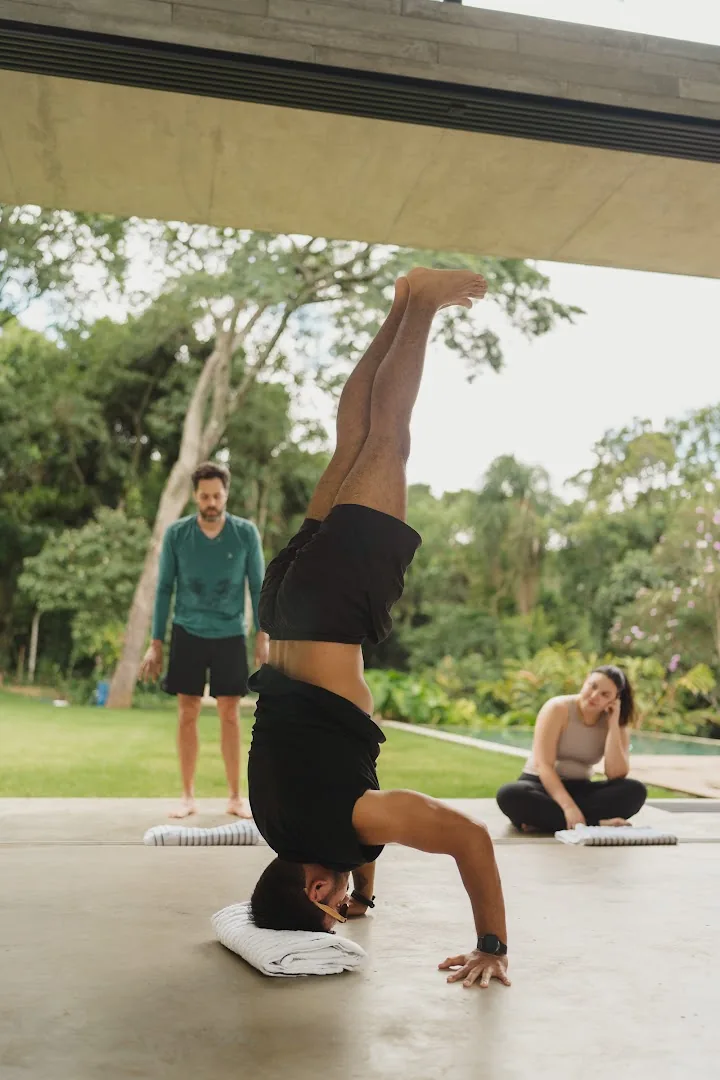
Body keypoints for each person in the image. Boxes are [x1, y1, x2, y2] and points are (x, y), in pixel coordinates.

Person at [247, 268, 511, 991]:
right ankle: (402, 302)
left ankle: (422, 302)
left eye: (329, 912)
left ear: (311, 890)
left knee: (388, 440)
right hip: (283, 608)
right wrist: (361, 891)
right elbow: (345, 822)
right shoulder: (276, 824)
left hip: (334, 610)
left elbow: (469, 838)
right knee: (355, 439)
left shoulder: (342, 827)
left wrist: (492, 942)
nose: (340, 914)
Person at [140, 462, 269, 819]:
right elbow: (165, 587)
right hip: (187, 631)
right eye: (204, 496)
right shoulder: (177, 534)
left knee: (230, 714)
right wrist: (155, 641)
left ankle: (234, 797)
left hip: (230, 633)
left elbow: (258, 586)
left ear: (226, 494)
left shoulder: (245, 533)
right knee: (187, 712)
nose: (211, 502)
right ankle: (187, 796)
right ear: (196, 496)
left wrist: (263, 633)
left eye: (217, 495)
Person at [496, 665, 647, 834]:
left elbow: (615, 774)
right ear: (585, 681)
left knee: (635, 791)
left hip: (581, 789)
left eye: (605, 694)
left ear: (615, 699)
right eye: (593, 686)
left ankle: (548, 821)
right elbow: (544, 765)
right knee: (509, 794)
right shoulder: (558, 708)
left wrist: (613, 724)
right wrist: (568, 807)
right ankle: (593, 824)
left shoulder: (615, 721)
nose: (594, 696)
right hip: (540, 786)